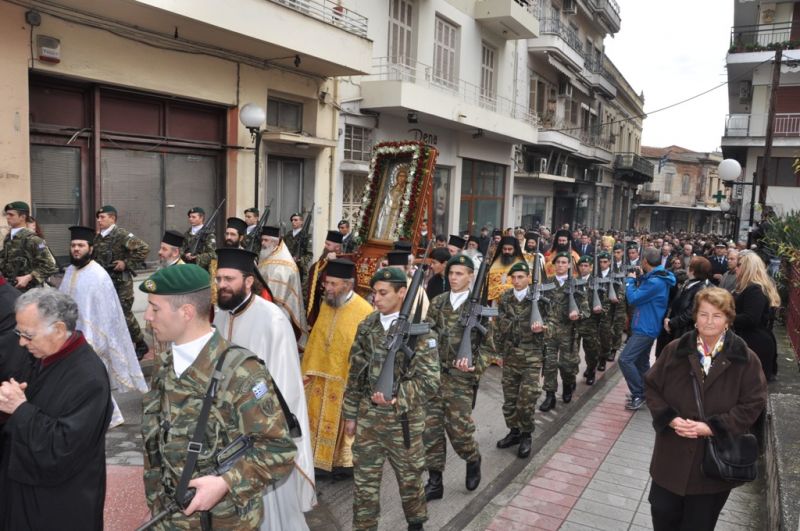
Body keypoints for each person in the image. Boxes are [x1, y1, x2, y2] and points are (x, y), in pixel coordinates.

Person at [140, 264, 297, 528]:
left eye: (155, 309)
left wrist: (225, 483)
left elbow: (278, 449)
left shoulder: (241, 372)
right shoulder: (165, 364)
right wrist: (156, 503)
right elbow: (156, 445)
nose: (147, 316)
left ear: (187, 312)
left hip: (223, 521)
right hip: (168, 517)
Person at [645, 288, 767, 531]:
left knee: (698, 524)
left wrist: (712, 427)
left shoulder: (745, 358)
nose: (709, 322)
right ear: (695, 316)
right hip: (670, 457)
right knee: (662, 515)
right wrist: (669, 419)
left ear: (728, 320)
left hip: (711, 468)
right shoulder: (675, 350)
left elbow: (754, 403)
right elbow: (651, 387)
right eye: (703, 314)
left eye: (717, 316)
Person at [212, 248, 316, 530]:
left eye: (229, 279)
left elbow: (284, 383)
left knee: (272, 512)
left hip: (260, 431)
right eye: (219, 278)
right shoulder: (220, 316)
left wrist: (263, 429)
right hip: (226, 430)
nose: (222, 285)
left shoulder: (272, 319)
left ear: (248, 281)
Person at [0, 288, 112, 530]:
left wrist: (19, 409)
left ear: (59, 330)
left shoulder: (88, 377)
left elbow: (62, 446)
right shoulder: (43, 355)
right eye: (19, 333)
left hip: (61, 504)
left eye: (28, 335)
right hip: (27, 493)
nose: (21, 342)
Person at [342, 266, 439, 531]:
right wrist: (350, 414)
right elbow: (355, 374)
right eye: (374, 293)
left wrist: (397, 398)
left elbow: (430, 383)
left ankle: (416, 523)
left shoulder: (421, 333)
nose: (376, 298)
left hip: (403, 422)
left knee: (410, 481)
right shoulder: (368, 325)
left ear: (402, 293)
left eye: (383, 293)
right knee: (364, 486)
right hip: (369, 421)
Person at [60, 225, 148, 427]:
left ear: (90, 249)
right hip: (71, 335)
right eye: (73, 245)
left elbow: (107, 313)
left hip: (93, 338)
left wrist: (94, 338)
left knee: (92, 380)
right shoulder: (70, 271)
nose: (76, 249)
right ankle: (105, 415)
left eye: (81, 245)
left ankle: (109, 415)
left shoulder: (98, 275)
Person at [423, 255, 493, 500]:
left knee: (459, 432)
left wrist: (475, 366)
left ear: (471, 276)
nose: (454, 278)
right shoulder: (438, 302)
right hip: (433, 377)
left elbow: (489, 347)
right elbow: (425, 334)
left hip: (460, 380)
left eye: (460, 274)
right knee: (430, 431)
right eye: (451, 273)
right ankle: (435, 482)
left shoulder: (480, 309)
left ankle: (472, 458)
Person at [302, 259, 373, 474]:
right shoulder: (327, 303)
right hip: (320, 373)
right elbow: (318, 337)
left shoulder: (364, 311)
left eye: (333, 284)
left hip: (345, 379)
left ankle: (343, 464)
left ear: (347, 285)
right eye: (327, 283)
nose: (328, 288)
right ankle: (316, 461)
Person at [494, 262, 545, 459]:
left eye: (520, 277)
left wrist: (544, 327)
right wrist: (497, 354)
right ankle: (514, 432)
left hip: (532, 356)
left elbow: (554, 325)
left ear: (529, 277)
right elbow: (498, 328)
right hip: (510, 356)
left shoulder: (540, 298)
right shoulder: (505, 297)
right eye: (513, 277)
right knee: (510, 400)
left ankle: (526, 435)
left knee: (527, 399)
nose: (516, 281)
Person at [618, 248, 675, 410]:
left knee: (625, 359)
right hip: (645, 324)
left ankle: (639, 393)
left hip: (646, 327)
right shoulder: (657, 276)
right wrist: (641, 276)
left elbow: (634, 298)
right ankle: (649, 392)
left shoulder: (655, 281)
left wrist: (629, 281)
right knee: (642, 362)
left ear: (645, 262)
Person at [92, 205, 151, 357]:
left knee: (124, 314)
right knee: (107, 314)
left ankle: (140, 343)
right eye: (98, 217)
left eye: (102, 217)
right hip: (104, 282)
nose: (99, 220)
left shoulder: (121, 234)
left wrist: (126, 263)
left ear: (112, 218)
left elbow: (143, 248)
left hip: (121, 282)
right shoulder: (99, 237)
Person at [539, 252, 587, 412]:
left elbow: (586, 310)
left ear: (569, 265)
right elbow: (539, 308)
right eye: (558, 262)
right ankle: (550, 395)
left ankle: (567, 385)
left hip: (568, 332)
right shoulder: (547, 284)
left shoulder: (577, 285)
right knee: (549, 365)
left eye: (564, 262)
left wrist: (577, 314)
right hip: (550, 332)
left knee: (567, 365)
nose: (560, 265)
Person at [257, 225, 309, 346]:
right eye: (262, 240)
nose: (263, 243)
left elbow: (276, 295)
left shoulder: (284, 264)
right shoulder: (267, 255)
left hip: (279, 312)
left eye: (266, 240)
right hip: (263, 307)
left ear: (275, 242)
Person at [733, 251, 780, 380]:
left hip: (754, 343)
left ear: (748, 267)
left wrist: (725, 317)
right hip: (752, 341)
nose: (735, 268)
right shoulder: (752, 288)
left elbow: (751, 319)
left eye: (739, 265)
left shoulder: (754, 289)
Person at [656, 256, 712, 358]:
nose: (687, 267)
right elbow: (674, 303)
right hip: (672, 329)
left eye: (690, 266)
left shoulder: (702, 289)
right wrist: (667, 319)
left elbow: (690, 313)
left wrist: (671, 323)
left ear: (694, 270)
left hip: (683, 332)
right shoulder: (688, 282)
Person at [0, 201, 58, 291]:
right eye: (7, 214)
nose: (7, 217)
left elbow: (49, 266)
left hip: (29, 291)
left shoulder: (33, 239)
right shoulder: (8, 238)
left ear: (22, 217)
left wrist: (29, 277)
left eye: (11, 215)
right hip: (10, 288)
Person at [305, 230, 344, 328]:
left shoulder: (344, 261)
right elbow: (317, 269)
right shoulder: (324, 257)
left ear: (337, 247)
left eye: (328, 244)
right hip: (320, 302)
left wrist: (335, 262)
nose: (325, 246)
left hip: (334, 304)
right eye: (326, 243)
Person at [487, 236, 524, 302]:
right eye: (504, 249)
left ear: (514, 249)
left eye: (510, 249)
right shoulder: (494, 263)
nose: (507, 251)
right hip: (495, 300)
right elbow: (488, 282)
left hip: (515, 300)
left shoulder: (520, 264)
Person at [181, 206, 217, 271]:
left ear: (201, 218)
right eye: (190, 217)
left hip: (201, 270)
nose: (190, 219)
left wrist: (197, 258)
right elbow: (180, 249)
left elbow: (213, 255)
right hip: (186, 268)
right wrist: (185, 255)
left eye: (193, 217)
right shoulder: (186, 234)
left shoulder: (209, 235)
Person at [284, 212, 313, 280]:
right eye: (292, 220)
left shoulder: (306, 237)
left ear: (301, 222)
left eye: (296, 220)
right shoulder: (288, 235)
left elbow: (309, 254)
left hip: (301, 269)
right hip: (287, 267)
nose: (293, 222)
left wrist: (299, 260)